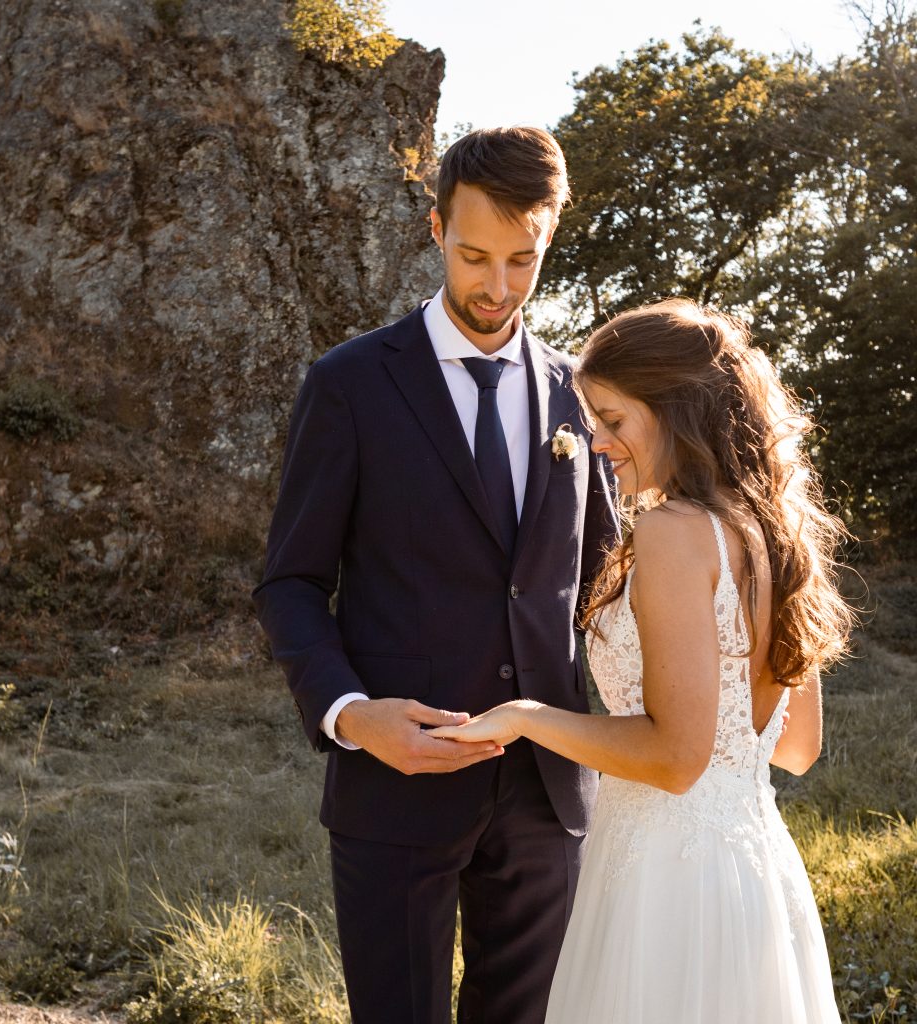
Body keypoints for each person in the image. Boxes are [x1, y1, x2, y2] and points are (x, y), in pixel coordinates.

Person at [252, 126, 617, 1024]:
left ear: (549, 241)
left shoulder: (583, 392)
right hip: (395, 786)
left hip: (549, 790)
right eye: (474, 255)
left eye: (523, 261)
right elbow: (290, 582)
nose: (497, 288)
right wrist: (350, 715)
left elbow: (610, 572)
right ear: (434, 229)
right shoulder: (348, 385)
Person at [431, 298, 854, 1023]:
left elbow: (675, 757)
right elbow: (795, 746)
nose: (598, 443)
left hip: (668, 884)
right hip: (753, 872)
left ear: (677, 410)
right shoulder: (772, 534)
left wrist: (529, 717)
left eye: (615, 421)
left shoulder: (672, 532)